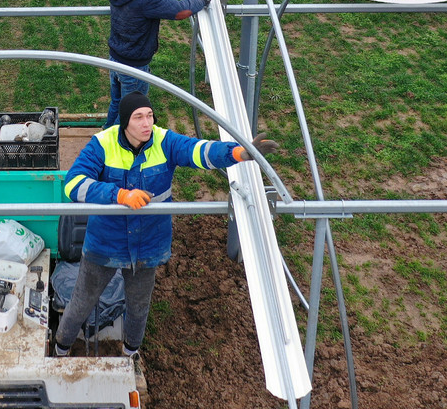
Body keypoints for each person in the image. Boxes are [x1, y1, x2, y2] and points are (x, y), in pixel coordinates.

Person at [53, 92, 278, 362]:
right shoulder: (102, 144)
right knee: (82, 301)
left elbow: (200, 151)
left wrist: (238, 153)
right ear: (125, 122)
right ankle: (61, 349)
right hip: (105, 243)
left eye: (149, 115)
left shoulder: (164, 140)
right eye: (138, 117)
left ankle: (130, 354)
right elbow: (73, 183)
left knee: (138, 307)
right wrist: (119, 195)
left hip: (147, 244)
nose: (147, 123)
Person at [105, 0, 209, 128]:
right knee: (130, 110)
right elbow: (180, 11)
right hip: (134, 66)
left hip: (115, 59)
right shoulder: (145, 2)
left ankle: (106, 131)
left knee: (117, 102)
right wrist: (201, 1)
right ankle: (113, 143)